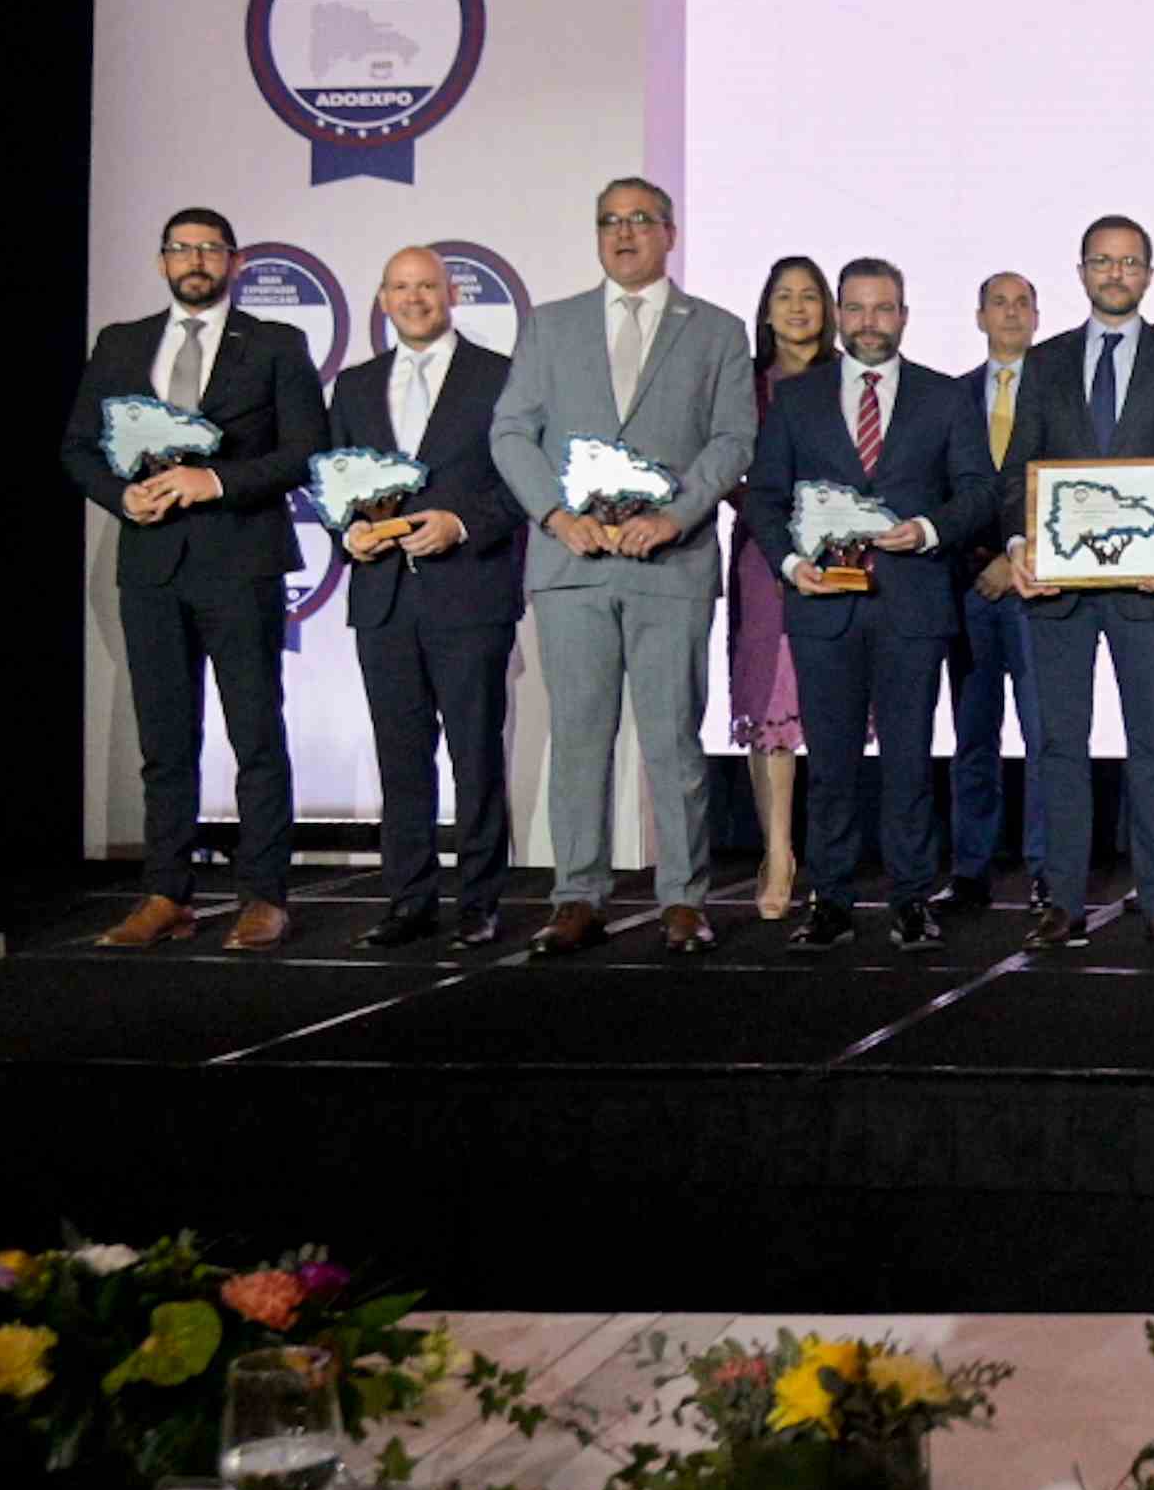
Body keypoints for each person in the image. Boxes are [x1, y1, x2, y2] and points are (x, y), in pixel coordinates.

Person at [488, 176, 761, 959]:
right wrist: (555, 515)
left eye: (640, 220)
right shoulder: (551, 325)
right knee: (579, 735)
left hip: (668, 563)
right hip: (572, 563)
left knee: (673, 737)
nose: (624, 233)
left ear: (669, 233)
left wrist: (673, 515)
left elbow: (733, 439)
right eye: (610, 221)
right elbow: (512, 432)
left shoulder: (715, 329)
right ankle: (577, 895)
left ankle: (683, 897)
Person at [61, 205, 327, 951]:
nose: (196, 260)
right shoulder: (120, 344)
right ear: (161, 262)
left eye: (211, 248)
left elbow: (307, 449)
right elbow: (79, 449)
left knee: (255, 733)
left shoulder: (276, 343)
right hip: (150, 564)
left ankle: (263, 894)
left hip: (240, 559)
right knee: (165, 741)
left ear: (236, 263)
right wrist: (121, 494)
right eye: (182, 248)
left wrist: (215, 482)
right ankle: (165, 892)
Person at [747, 257, 995, 954]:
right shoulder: (798, 399)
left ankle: (912, 898)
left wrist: (930, 530)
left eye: (883, 309)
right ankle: (831, 898)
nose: (868, 323)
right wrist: (793, 566)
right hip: (824, 606)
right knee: (830, 764)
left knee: (911, 761)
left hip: (913, 603)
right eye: (854, 309)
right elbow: (765, 498)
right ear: (839, 315)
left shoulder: (945, 397)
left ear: (905, 316)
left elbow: (979, 491)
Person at [1002, 214, 1154, 956]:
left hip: (1149, 589)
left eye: (1129, 263)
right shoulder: (1045, 360)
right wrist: (1021, 544)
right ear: (1082, 270)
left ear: (1150, 275)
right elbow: (1015, 475)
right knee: (1059, 745)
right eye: (1102, 261)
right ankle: (1062, 899)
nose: (1115, 274)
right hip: (1057, 591)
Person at [327, 247, 522, 950]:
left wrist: (462, 524)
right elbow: (334, 486)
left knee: (475, 755)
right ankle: (409, 898)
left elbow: (521, 486)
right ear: (382, 299)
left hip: (470, 592)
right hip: (381, 600)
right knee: (400, 756)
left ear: (452, 294)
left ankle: (479, 900)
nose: (415, 299)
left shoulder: (500, 376)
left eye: (428, 287)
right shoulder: (352, 386)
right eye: (401, 287)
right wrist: (347, 533)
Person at [727, 258, 830, 919]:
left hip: (840, 559)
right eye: (784, 297)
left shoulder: (852, 382)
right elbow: (720, 461)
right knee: (770, 706)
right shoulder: (742, 386)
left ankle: (815, 851)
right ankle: (779, 853)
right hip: (764, 560)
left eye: (810, 296)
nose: (797, 308)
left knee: (824, 709)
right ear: (765, 310)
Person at [944, 269, 1045, 914]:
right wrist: (981, 562)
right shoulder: (950, 399)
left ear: (1037, 317)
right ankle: (970, 869)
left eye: (1021, 304)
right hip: (969, 585)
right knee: (973, 735)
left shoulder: (1061, 393)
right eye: (998, 304)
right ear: (979, 317)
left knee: (1045, 735)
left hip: (1038, 583)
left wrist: (1019, 559)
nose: (1010, 314)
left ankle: (1046, 867)